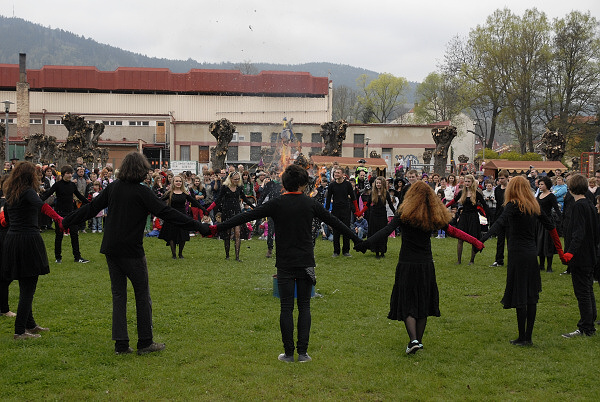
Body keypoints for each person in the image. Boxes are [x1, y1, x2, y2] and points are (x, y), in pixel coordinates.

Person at [211, 164, 362, 363]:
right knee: (305, 306)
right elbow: (337, 223)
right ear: (303, 184)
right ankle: (303, 353)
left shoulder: (277, 203)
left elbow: (245, 216)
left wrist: (215, 228)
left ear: (284, 182)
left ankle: (289, 354)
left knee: (286, 307)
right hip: (306, 262)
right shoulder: (310, 204)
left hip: (284, 264)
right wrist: (359, 241)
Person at [62, 152, 210, 355]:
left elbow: (91, 208)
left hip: (111, 249)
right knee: (142, 295)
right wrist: (197, 225)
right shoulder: (143, 192)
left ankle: (121, 344)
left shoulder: (113, 188)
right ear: (140, 170)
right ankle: (145, 342)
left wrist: (65, 221)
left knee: (119, 296)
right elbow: (166, 213)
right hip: (132, 251)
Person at [354, 181, 484, 354]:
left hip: (407, 263)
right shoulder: (433, 215)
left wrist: (366, 244)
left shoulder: (404, 214)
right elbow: (453, 231)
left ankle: (414, 340)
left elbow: (386, 230)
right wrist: (476, 241)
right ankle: (418, 341)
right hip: (425, 264)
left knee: (407, 301)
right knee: (423, 301)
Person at [481, 176, 564, 346]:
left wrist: (483, 238)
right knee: (531, 295)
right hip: (531, 252)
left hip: (517, 253)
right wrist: (561, 249)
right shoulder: (534, 205)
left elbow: (500, 222)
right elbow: (550, 225)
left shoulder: (513, 205)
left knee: (520, 294)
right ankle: (528, 336)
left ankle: (522, 337)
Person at [1, 162, 64, 339]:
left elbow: (6, 218)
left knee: (24, 283)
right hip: (27, 240)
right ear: (30, 176)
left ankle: (30, 324)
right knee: (28, 287)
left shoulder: (11, 194)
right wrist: (59, 218)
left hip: (12, 240)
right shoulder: (28, 192)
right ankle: (20, 330)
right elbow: (42, 206)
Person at [561, 174, 599, 338]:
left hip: (581, 256)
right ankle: (590, 321)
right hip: (590, 254)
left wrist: (570, 252)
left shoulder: (579, 206)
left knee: (582, 291)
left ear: (571, 188)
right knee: (588, 289)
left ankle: (586, 327)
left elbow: (579, 232)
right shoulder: (589, 204)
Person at [40, 165, 90, 264]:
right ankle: (58, 257)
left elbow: (79, 196)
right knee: (59, 236)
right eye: (67, 173)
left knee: (74, 235)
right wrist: (37, 200)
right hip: (60, 215)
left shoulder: (72, 185)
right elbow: (47, 194)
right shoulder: (57, 185)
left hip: (71, 214)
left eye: (71, 173)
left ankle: (77, 257)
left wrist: (89, 203)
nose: (69, 175)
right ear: (63, 174)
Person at [207, 171, 255, 261]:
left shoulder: (239, 187)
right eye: (235, 179)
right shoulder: (225, 187)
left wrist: (254, 207)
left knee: (237, 233)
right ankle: (227, 255)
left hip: (237, 211)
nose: (237, 180)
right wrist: (209, 209)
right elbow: (218, 199)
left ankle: (237, 256)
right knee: (227, 234)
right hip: (227, 211)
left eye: (238, 179)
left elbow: (244, 198)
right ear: (230, 179)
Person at [159, 174, 207, 259]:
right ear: (173, 182)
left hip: (182, 216)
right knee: (171, 235)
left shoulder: (185, 194)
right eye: (176, 181)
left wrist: (203, 209)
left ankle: (180, 254)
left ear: (182, 182)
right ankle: (174, 254)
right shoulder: (169, 193)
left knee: (183, 235)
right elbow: (159, 201)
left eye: (180, 181)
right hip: (171, 216)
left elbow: (195, 202)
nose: (178, 183)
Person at [446, 174, 489, 265]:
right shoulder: (462, 193)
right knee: (460, 238)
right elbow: (454, 201)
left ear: (472, 182)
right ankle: (459, 260)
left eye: (469, 181)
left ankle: (472, 261)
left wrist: (488, 216)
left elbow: (484, 205)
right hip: (464, 216)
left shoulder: (477, 193)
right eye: (466, 181)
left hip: (473, 217)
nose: (467, 183)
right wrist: (445, 206)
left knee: (473, 238)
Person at [357, 176, 396, 258]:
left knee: (383, 234)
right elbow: (367, 205)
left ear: (383, 184)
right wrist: (360, 213)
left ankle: (382, 252)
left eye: (379, 183)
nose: (378, 184)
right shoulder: (372, 193)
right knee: (375, 233)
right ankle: (376, 251)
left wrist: (396, 213)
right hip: (373, 216)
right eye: (377, 183)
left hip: (382, 216)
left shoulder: (386, 193)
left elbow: (391, 205)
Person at [325, 167, 359, 257]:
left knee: (346, 230)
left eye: (338, 173)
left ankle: (346, 251)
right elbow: (328, 199)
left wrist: (356, 210)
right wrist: (326, 211)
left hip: (346, 211)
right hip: (335, 211)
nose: (336, 174)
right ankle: (336, 251)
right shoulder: (332, 185)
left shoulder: (347, 185)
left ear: (343, 174)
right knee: (336, 231)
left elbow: (353, 197)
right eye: (335, 173)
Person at [536, 176, 562, 273]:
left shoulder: (551, 196)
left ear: (547, 185)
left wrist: (561, 220)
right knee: (540, 243)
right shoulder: (539, 196)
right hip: (539, 223)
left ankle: (549, 266)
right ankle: (541, 265)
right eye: (539, 184)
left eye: (542, 184)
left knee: (548, 244)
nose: (540, 186)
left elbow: (556, 209)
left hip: (548, 221)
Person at [490, 170, 509, 267]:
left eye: (503, 178)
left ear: (507, 178)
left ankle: (512, 259)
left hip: (509, 216)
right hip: (500, 215)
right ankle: (499, 260)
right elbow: (498, 203)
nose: (501, 180)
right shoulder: (497, 189)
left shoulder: (510, 188)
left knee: (510, 240)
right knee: (500, 240)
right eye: (499, 178)